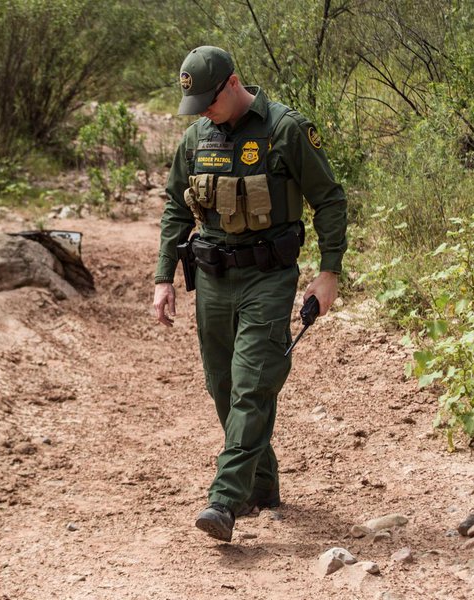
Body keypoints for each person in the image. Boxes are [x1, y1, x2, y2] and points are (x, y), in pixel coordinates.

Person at [151, 46, 347, 542]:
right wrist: (162, 278)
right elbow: (176, 207)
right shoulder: (197, 137)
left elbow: (328, 199)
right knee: (223, 387)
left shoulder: (286, 129)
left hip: (268, 276)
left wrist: (329, 273)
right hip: (213, 278)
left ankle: (225, 500)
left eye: (210, 103)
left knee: (253, 383)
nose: (204, 116)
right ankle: (262, 486)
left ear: (233, 84)